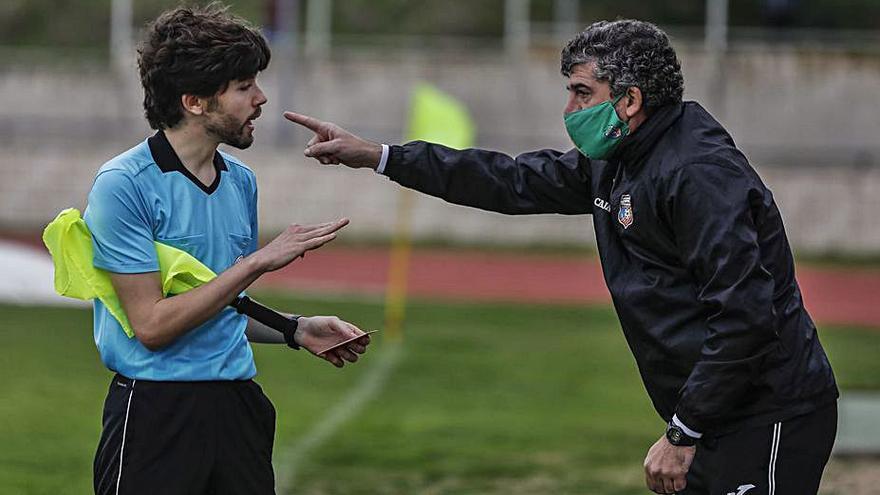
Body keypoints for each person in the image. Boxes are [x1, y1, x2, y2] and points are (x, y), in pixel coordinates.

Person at [283, 19, 838, 495]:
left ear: (631, 100)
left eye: (581, 93)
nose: (568, 109)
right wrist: (381, 156)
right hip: (711, 413)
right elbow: (511, 180)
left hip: (768, 411)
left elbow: (744, 315)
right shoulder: (621, 155)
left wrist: (682, 432)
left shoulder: (696, 174)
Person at [85, 6, 370, 495]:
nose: (260, 99)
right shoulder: (123, 185)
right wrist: (259, 261)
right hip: (157, 414)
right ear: (194, 101)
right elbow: (152, 326)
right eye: (243, 87)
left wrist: (294, 329)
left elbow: (220, 302)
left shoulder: (241, 183)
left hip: (237, 409)